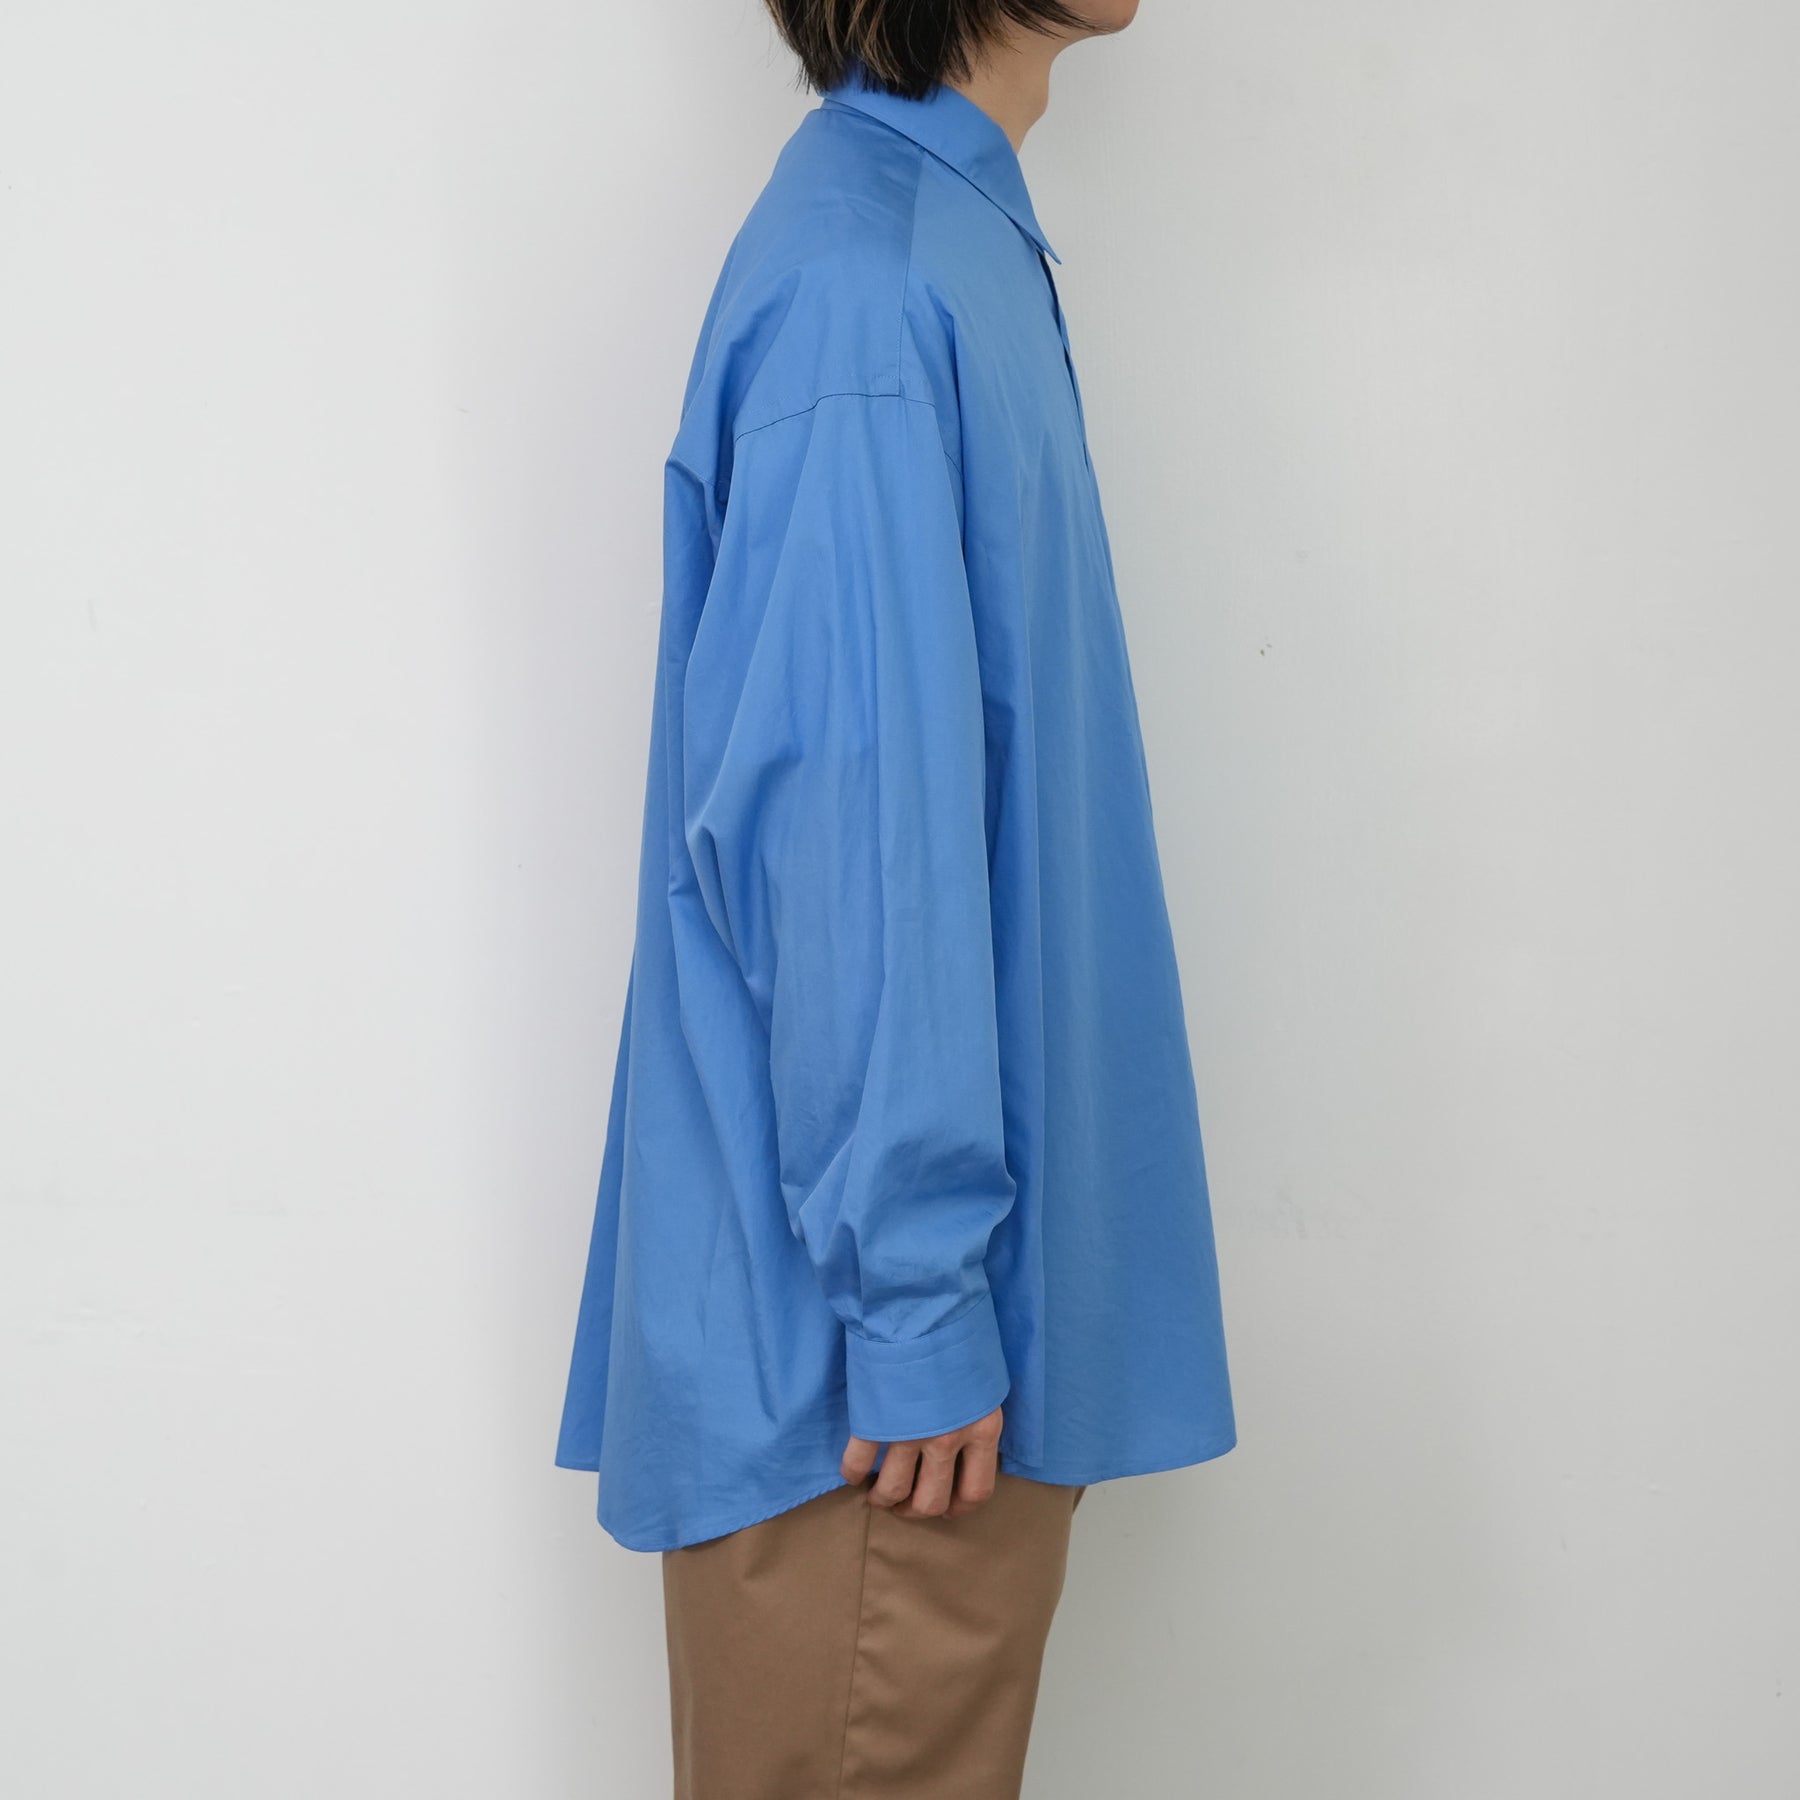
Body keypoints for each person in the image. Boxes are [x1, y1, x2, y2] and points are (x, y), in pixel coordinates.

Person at [555, 3, 1237, 1792]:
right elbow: (846, 847)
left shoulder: (941, 239)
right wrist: (920, 1301)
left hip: (903, 1367)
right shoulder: (871, 288)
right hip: (866, 1405)